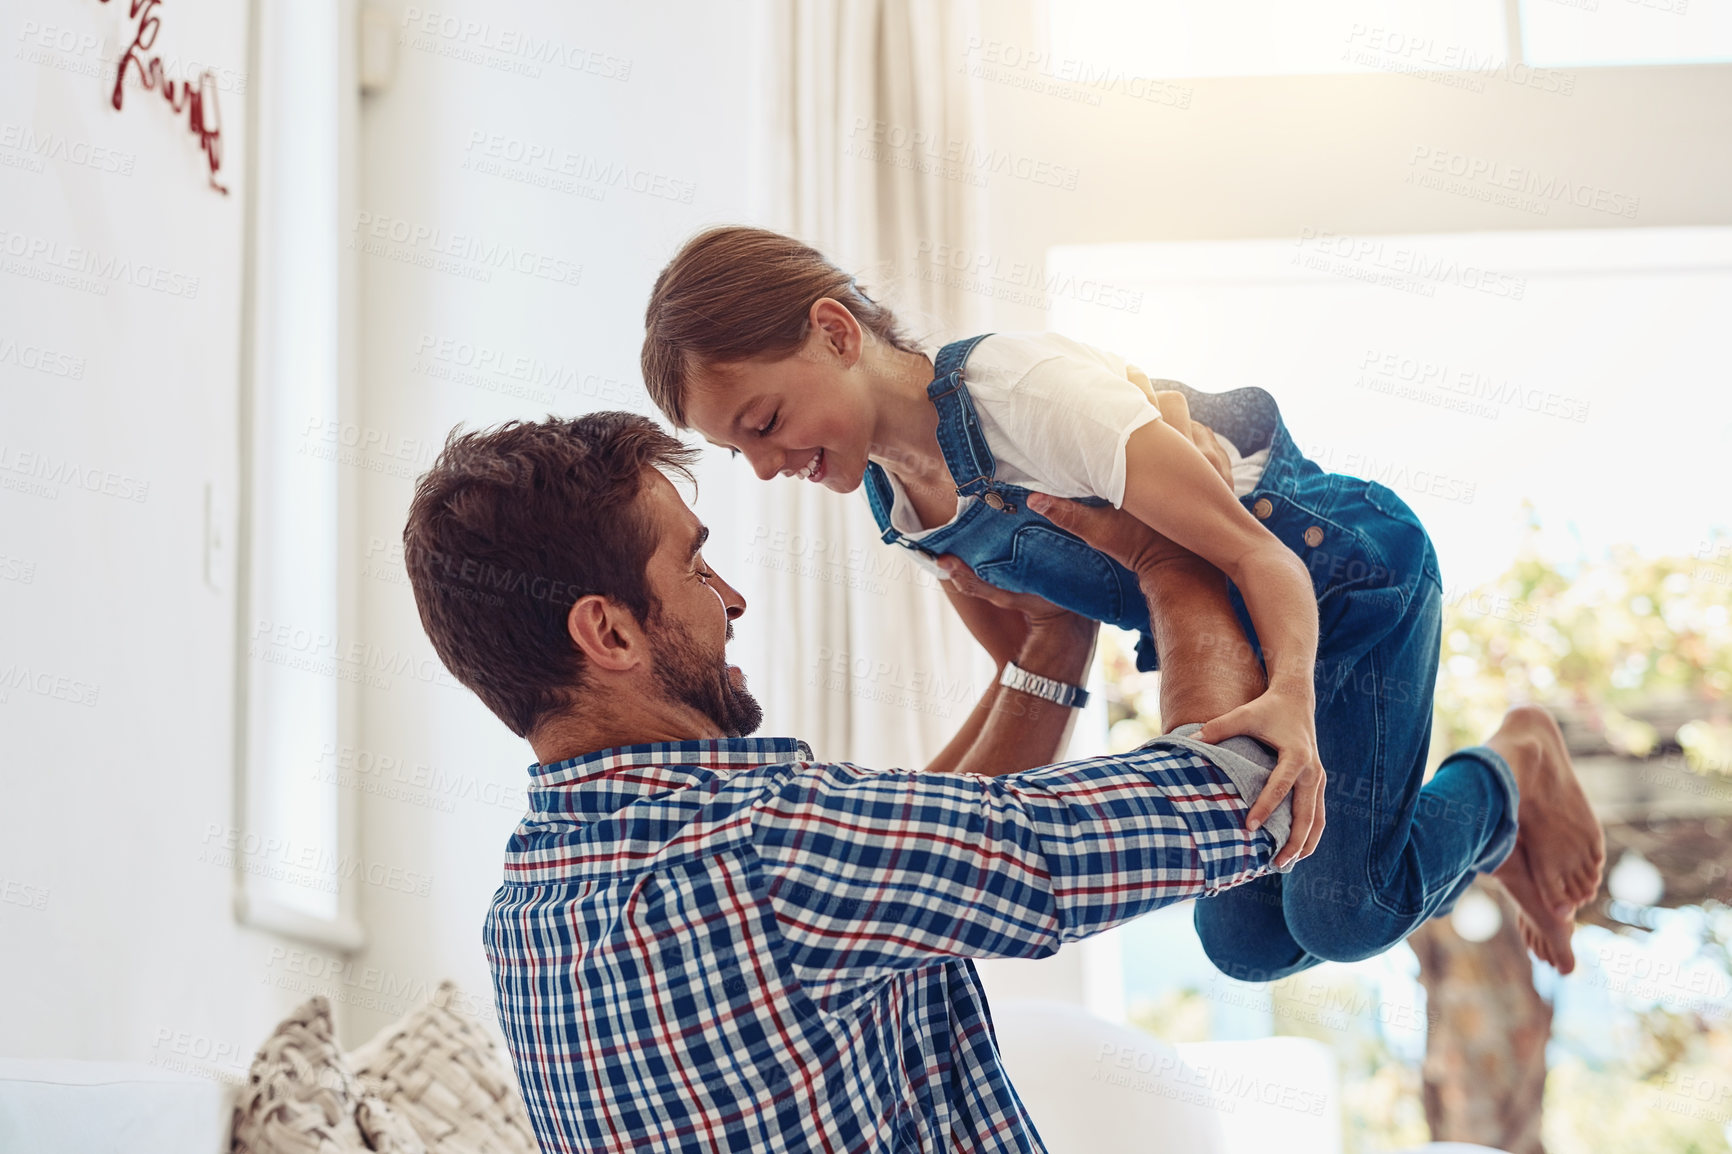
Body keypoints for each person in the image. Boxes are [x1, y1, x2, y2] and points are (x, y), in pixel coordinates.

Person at [404, 411, 1598, 1152]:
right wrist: (1161, 558)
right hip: (1306, 655)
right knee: (1299, 905)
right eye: (695, 566)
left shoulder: (536, 908)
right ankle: (1510, 771)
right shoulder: (767, 853)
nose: (730, 601)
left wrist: (1051, 651)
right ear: (607, 632)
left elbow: (908, 854)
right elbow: (1234, 797)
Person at [639, 225, 1605, 977]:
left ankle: (1514, 768)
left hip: (1343, 583)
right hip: (1245, 633)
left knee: (1344, 915)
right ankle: (1487, 833)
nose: (767, 467)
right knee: (1248, 946)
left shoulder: (1027, 397)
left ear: (836, 331)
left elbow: (1256, 553)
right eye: (741, 451)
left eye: (765, 423)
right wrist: (890, 848)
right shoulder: (900, 505)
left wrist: (1295, 700)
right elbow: (1034, 663)